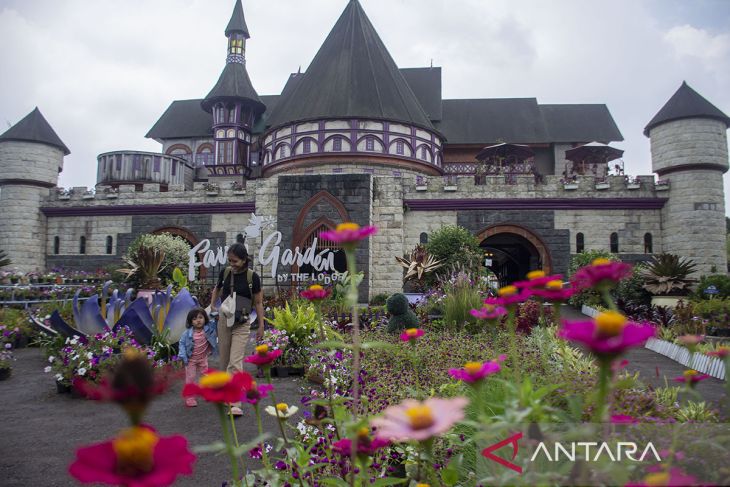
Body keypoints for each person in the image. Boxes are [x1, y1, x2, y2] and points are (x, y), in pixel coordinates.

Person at [210, 242, 264, 416]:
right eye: (230, 260)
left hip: (242, 323)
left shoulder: (252, 277)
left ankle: (235, 403)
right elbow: (217, 289)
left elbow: (258, 302)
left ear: (244, 259)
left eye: (235, 261)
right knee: (224, 361)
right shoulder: (225, 272)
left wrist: (261, 325)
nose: (231, 264)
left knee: (235, 361)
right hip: (224, 321)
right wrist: (212, 306)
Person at [178, 307, 218, 407]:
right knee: (190, 378)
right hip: (190, 360)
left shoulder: (208, 330)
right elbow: (182, 343)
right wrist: (182, 355)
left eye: (200, 317)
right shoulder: (187, 333)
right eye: (194, 319)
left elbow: (215, 323)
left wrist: (214, 314)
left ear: (205, 319)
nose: (198, 320)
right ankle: (190, 397)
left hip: (202, 359)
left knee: (206, 376)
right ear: (191, 322)